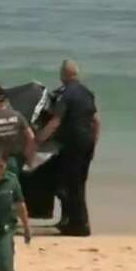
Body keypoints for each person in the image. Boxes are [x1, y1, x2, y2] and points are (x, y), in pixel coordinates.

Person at [36, 60, 100, 236]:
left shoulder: (66, 95)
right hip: (87, 142)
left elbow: (55, 122)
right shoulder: (87, 93)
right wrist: (93, 144)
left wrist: (37, 140)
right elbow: (96, 121)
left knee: (72, 185)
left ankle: (79, 226)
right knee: (79, 183)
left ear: (64, 75)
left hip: (73, 143)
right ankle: (74, 221)